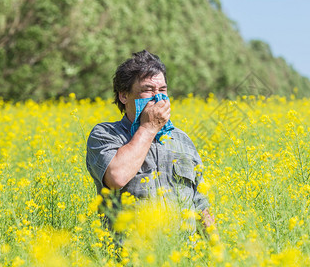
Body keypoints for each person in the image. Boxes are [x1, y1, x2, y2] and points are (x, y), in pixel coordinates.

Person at [86, 50, 215, 233]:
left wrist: (217, 253)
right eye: (148, 90)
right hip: (131, 257)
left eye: (162, 90)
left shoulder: (182, 140)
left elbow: (201, 204)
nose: (158, 97)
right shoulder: (106, 135)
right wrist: (148, 127)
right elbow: (116, 177)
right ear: (124, 96)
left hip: (184, 257)